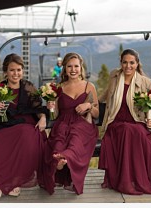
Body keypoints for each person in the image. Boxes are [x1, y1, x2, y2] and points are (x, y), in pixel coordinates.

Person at [0, 54, 53, 200]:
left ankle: (15, 181)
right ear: (6, 71)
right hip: (3, 124)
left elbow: (38, 108)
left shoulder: (28, 87)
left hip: (25, 122)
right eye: (12, 70)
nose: (16, 73)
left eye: (18, 70)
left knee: (26, 136)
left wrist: (42, 118)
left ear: (22, 70)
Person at [98, 49, 151, 195]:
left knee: (135, 132)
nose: (128, 66)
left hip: (137, 121)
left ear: (137, 64)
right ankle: (124, 182)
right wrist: (93, 103)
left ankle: (134, 180)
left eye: (132, 63)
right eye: (125, 62)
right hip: (116, 122)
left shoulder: (146, 82)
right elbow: (106, 94)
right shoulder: (115, 76)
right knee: (127, 130)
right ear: (121, 63)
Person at [45, 53, 99, 195]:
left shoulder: (89, 86)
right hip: (63, 122)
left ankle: (66, 157)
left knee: (75, 138)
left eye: (76, 66)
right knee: (59, 138)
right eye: (69, 66)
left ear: (81, 68)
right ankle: (59, 161)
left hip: (83, 123)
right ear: (64, 69)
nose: (73, 69)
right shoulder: (59, 88)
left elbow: (97, 113)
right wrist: (51, 106)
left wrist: (88, 105)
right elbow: (55, 115)